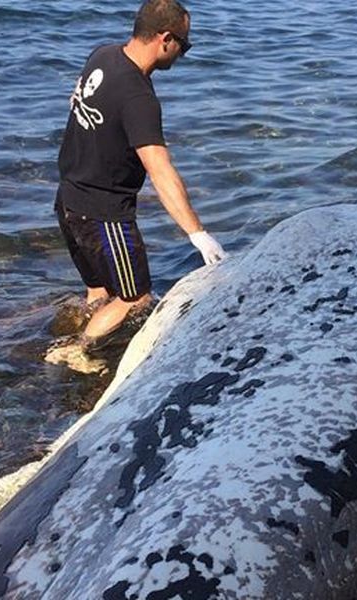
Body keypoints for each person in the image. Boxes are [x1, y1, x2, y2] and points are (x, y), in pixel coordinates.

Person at [49, 0, 225, 363]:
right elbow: (160, 170)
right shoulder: (138, 98)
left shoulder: (104, 55)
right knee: (135, 299)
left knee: (100, 289)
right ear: (165, 39)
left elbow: (77, 98)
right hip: (104, 214)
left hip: (67, 199)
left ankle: (92, 336)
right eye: (184, 45)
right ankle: (76, 352)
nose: (183, 53)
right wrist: (198, 234)